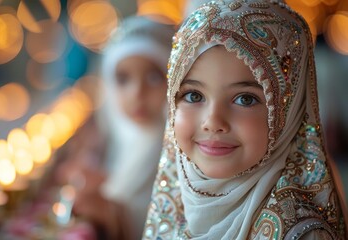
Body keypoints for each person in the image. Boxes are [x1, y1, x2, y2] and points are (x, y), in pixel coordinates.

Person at [143, 0, 348, 239]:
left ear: (289, 111)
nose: (213, 121)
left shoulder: (302, 233)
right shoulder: (175, 201)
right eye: (193, 95)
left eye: (245, 100)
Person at [55, 16, 175, 240]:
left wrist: (108, 210)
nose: (137, 93)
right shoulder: (123, 137)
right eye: (123, 79)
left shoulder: (179, 150)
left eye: (152, 77)